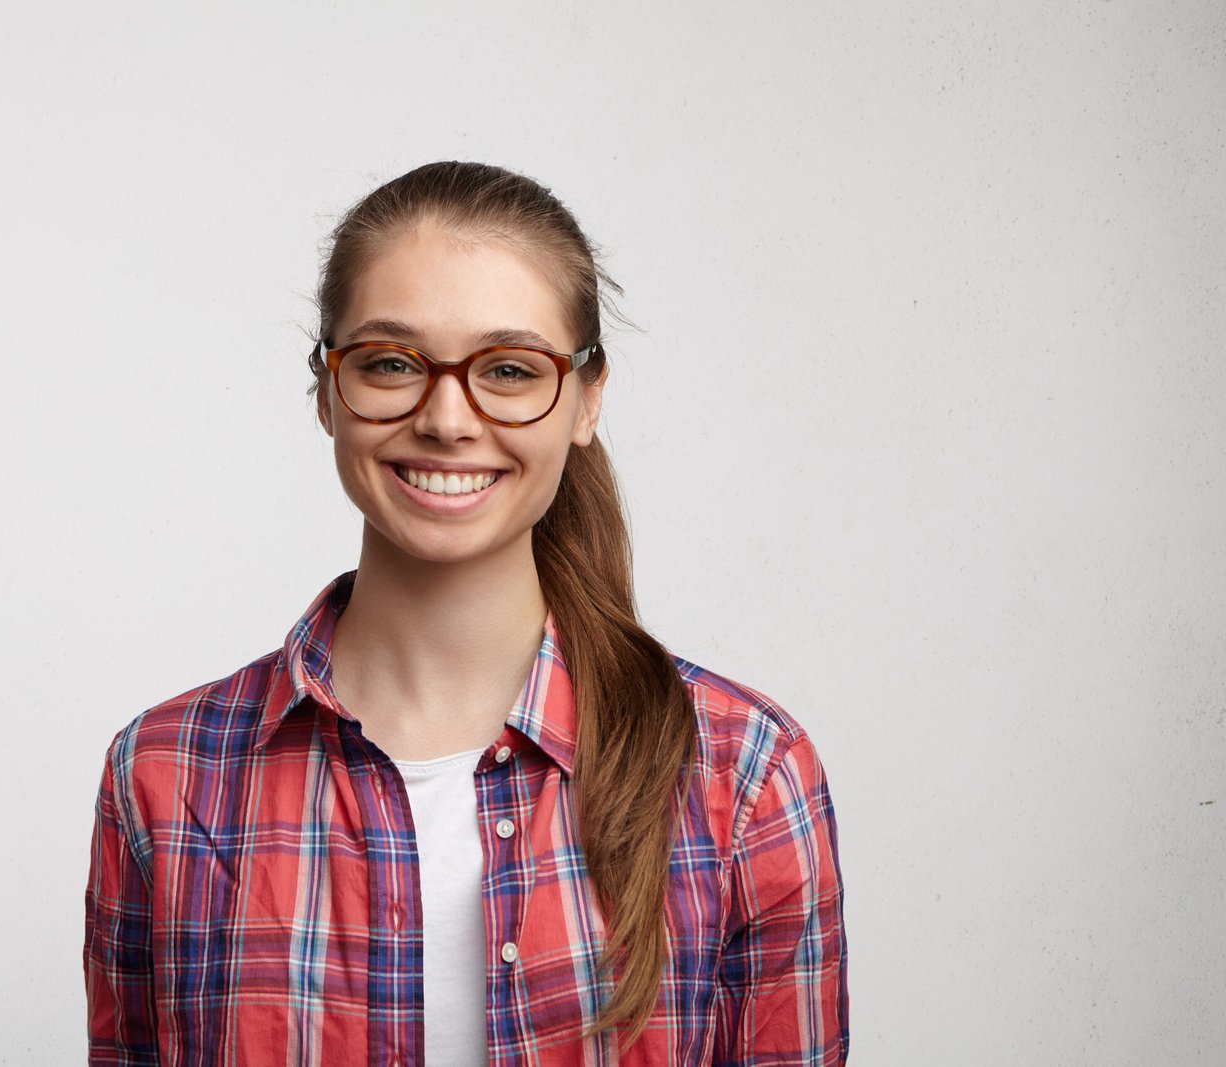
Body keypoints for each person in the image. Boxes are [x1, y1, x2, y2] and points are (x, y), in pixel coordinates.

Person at [84, 161, 848, 1065]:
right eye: (392, 362)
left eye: (512, 369)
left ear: (586, 398)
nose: (448, 417)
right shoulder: (166, 777)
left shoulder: (745, 775)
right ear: (326, 390)